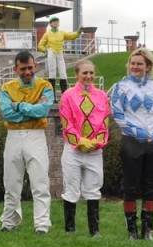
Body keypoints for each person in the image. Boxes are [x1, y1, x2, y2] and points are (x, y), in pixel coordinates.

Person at [110, 48, 153, 240]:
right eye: (132, 63)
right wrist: (139, 132)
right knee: (130, 186)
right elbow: (118, 115)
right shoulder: (121, 87)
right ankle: (132, 231)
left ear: (148, 66)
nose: (135, 67)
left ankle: (147, 230)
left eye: (139, 64)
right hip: (132, 141)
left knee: (151, 186)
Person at [0, 51, 54, 234]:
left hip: (36, 135)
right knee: (11, 183)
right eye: (23, 69)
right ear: (16, 69)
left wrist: (19, 106)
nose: (28, 72)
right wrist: (31, 109)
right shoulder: (7, 87)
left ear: (35, 66)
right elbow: (7, 113)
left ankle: (42, 225)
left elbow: (43, 111)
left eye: (30, 67)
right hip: (13, 136)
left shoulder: (45, 86)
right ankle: (9, 222)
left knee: (40, 182)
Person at [58, 61, 110, 237]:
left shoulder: (102, 96)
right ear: (76, 75)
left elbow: (105, 122)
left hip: (95, 151)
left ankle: (94, 231)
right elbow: (66, 122)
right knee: (71, 189)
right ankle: (70, 230)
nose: (88, 76)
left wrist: (96, 142)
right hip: (73, 150)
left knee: (93, 188)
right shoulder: (68, 95)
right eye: (84, 73)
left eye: (91, 73)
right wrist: (79, 141)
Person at [37, 16, 81, 94]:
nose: (56, 23)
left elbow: (71, 36)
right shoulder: (47, 34)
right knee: (52, 72)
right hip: (51, 52)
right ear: (50, 24)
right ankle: (52, 95)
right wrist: (46, 50)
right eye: (54, 21)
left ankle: (64, 94)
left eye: (57, 21)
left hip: (60, 53)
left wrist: (78, 32)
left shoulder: (62, 33)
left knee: (63, 73)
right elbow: (40, 45)